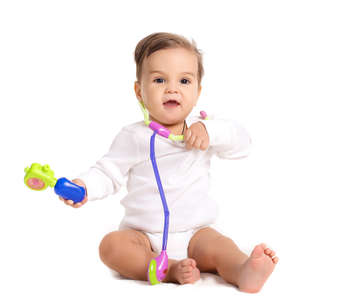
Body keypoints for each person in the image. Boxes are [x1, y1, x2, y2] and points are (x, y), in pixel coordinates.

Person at [60, 32, 278, 293]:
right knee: (111, 247)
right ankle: (168, 269)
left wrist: (212, 132)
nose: (172, 88)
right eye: (159, 79)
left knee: (221, 247)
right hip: (143, 237)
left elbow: (243, 144)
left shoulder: (204, 130)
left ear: (197, 92)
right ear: (140, 92)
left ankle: (244, 270)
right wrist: (84, 187)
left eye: (184, 81)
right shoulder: (134, 136)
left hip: (196, 233)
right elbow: (108, 172)